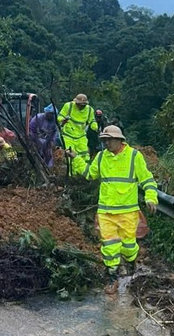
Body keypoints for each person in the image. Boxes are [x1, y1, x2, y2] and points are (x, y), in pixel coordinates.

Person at [66, 125, 158, 294]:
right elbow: (89, 173)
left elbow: (147, 180)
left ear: (119, 140)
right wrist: (76, 158)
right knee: (109, 247)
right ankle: (112, 278)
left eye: (109, 140)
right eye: (104, 140)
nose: (106, 143)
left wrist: (151, 198)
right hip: (106, 212)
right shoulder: (101, 157)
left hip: (128, 212)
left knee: (129, 247)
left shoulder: (133, 157)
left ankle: (131, 261)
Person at [57, 93, 98, 164]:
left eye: (83, 105)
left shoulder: (89, 110)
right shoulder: (68, 106)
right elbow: (59, 117)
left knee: (84, 153)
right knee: (70, 153)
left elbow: (92, 120)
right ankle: (71, 172)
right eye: (79, 104)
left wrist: (95, 127)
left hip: (81, 135)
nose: (81, 106)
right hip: (68, 135)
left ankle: (82, 171)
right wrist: (63, 120)